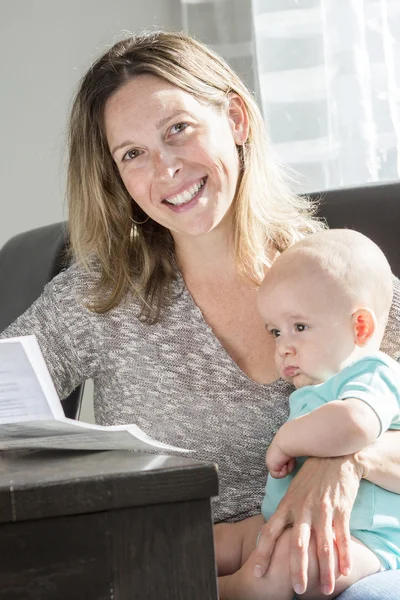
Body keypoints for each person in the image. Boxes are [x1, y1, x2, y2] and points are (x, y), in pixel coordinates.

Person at [1, 30, 400, 598]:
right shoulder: (100, 295)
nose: (165, 169)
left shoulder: (340, 276)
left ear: (236, 119)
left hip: (348, 565)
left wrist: (348, 457)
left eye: (177, 130)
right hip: (172, 567)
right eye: (132, 153)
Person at [216, 229, 400, 599]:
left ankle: (224, 591)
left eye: (298, 327)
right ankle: (165, 571)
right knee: (222, 538)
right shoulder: (312, 389)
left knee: (286, 566)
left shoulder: (372, 373)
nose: (283, 347)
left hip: (358, 540)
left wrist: (286, 439)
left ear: (359, 327)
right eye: (275, 332)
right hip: (283, 523)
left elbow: (356, 424)